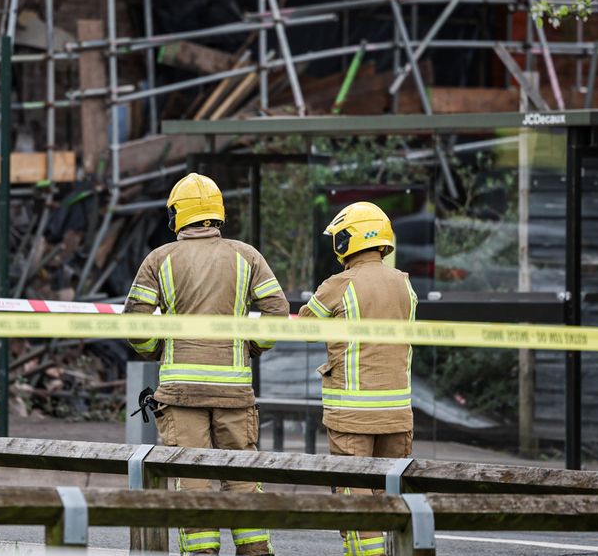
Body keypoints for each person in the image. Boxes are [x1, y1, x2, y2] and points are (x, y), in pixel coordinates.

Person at [123, 172, 289, 556]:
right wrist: (252, 345)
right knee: (242, 475)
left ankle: (200, 552)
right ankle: (255, 550)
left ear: (176, 215)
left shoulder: (160, 259)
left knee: (191, 477)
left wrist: (156, 348)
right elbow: (277, 311)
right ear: (217, 213)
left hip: (181, 394)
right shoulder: (247, 256)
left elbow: (135, 322)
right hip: (234, 392)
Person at [299, 201, 417, 556]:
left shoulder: (339, 285)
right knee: (388, 493)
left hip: (351, 415)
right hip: (398, 413)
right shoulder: (404, 285)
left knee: (355, 498)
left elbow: (306, 329)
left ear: (345, 241)